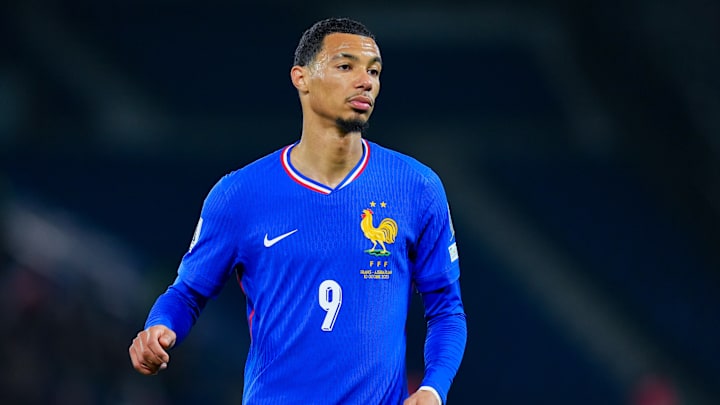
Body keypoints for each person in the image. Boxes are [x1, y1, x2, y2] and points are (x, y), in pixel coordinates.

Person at [129, 17, 467, 405]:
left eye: (374, 71)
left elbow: (446, 310)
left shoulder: (416, 187)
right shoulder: (240, 194)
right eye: (346, 66)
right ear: (301, 78)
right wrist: (159, 327)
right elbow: (188, 293)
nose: (365, 81)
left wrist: (433, 389)